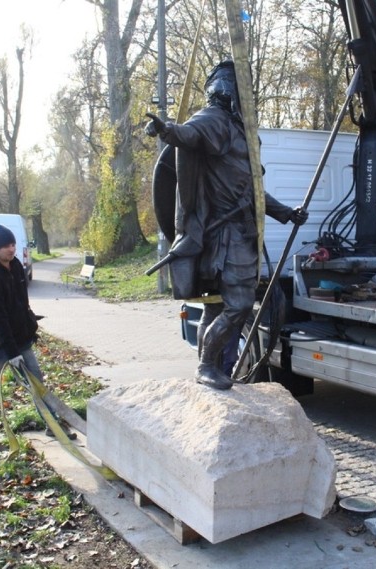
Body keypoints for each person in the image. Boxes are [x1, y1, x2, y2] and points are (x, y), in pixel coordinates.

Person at [145, 59, 308, 391]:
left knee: (217, 306)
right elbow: (188, 134)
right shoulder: (214, 119)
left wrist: (286, 213)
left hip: (241, 232)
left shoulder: (241, 133)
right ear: (227, 92)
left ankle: (211, 367)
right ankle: (206, 366)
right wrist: (165, 131)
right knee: (239, 306)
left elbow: (253, 193)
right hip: (225, 235)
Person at [0, 224, 74, 457]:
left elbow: (21, 304)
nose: (11, 249)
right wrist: (11, 352)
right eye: (6, 246)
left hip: (20, 341)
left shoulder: (16, 267)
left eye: (13, 244)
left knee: (38, 384)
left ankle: (52, 425)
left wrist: (30, 325)